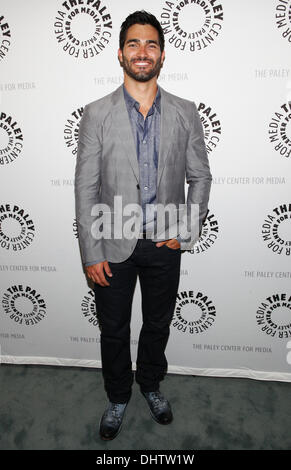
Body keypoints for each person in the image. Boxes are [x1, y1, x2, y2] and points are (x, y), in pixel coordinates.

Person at [75, 10, 212, 441]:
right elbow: (85, 187)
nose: (142, 51)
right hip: (112, 242)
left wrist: (186, 231)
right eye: (133, 43)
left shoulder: (186, 112)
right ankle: (118, 395)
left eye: (151, 44)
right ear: (120, 53)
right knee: (113, 329)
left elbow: (200, 177)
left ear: (162, 55)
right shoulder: (96, 113)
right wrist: (91, 252)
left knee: (157, 324)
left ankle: (150, 385)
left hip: (164, 243)